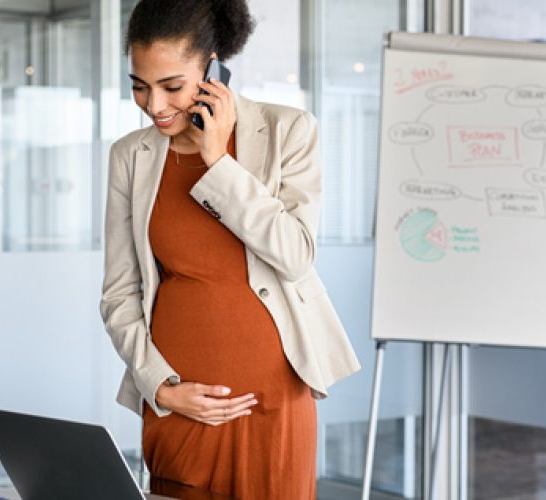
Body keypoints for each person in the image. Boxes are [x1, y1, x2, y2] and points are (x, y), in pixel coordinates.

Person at [99, 0, 360, 497]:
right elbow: (118, 293)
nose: (155, 105)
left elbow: (295, 255)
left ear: (214, 68)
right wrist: (160, 387)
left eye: (172, 86)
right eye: (139, 86)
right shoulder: (130, 157)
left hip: (275, 402)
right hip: (180, 404)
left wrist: (218, 162)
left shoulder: (288, 132)